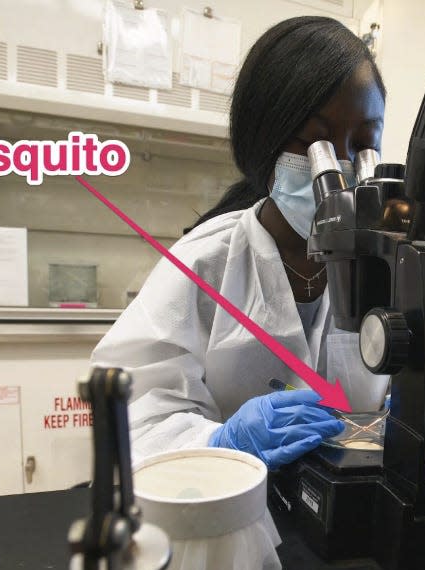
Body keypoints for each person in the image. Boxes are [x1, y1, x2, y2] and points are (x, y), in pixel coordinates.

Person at [91, 16, 391, 467]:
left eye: (365, 144)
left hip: (350, 507)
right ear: (263, 141)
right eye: (315, 142)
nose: (342, 167)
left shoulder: (385, 262)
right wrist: (223, 444)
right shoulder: (203, 262)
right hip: (221, 506)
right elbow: (131, 415)